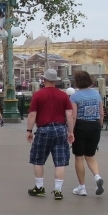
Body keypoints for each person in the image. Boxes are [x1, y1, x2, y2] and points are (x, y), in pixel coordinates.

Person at [25, 69, 75, 200]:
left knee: (38, 159)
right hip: (60, 129)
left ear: (44, 80)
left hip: (43, 129)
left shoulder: (38, 95)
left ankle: (39, 187)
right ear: (55, 81)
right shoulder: (63, 95)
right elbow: (69, 114)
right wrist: (70, 131)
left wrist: (29, 130)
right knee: (60, 161)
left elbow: (32, 114)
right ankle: (58, 190)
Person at [69, 71, 105, 196]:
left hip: (80, 126)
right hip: (95, 126)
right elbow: (101, 114)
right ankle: (97, 176)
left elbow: (73, 116)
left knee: (79, 157)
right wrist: (99, 126)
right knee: (90, 156)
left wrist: (71, 131)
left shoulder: (75, 97)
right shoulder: (96, 95)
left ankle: (82, 187)